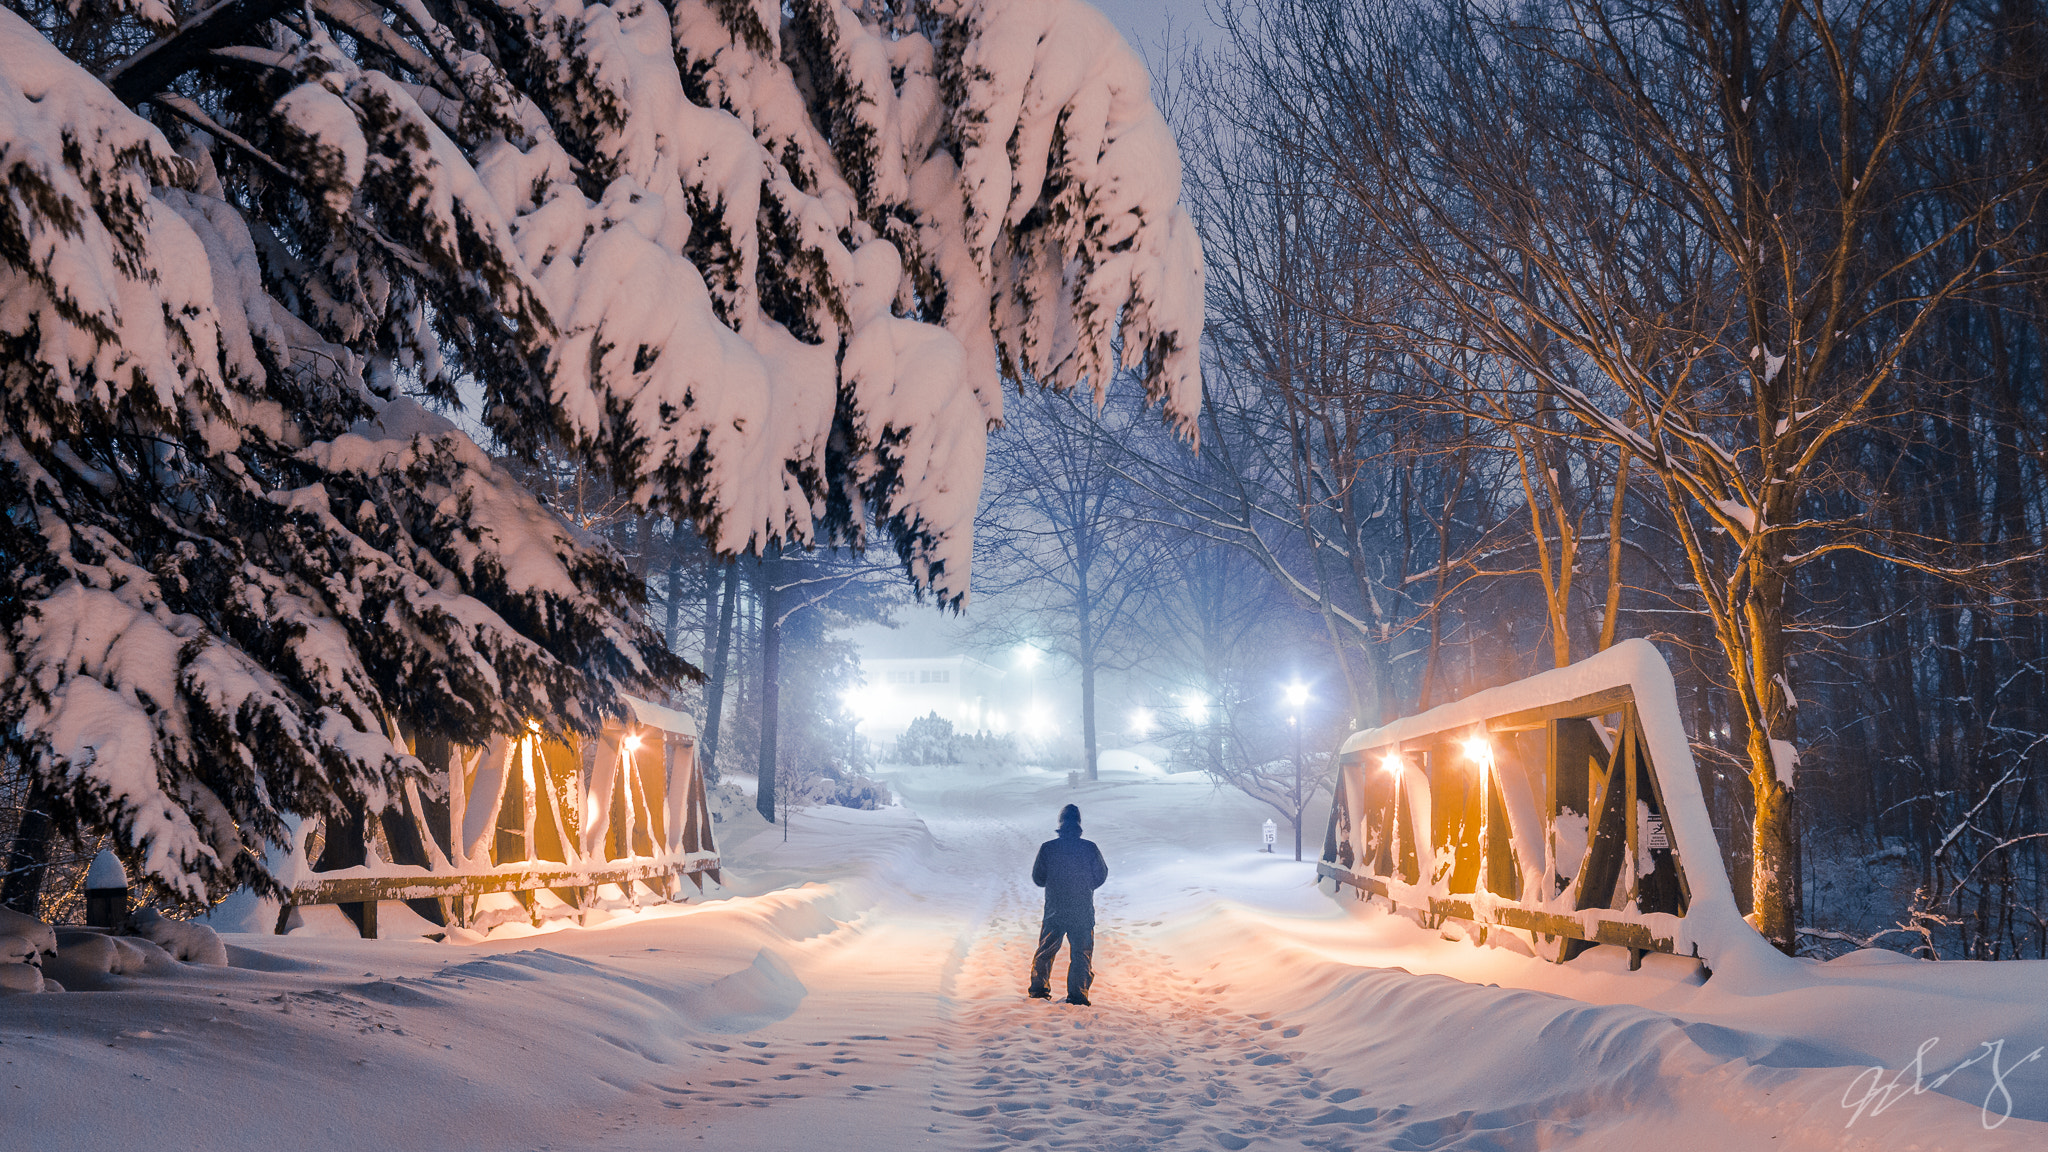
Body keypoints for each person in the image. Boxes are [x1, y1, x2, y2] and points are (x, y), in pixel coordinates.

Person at [1028, 803, 1108, 1005]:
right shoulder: (1089, 848)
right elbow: (1101, 874)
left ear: (1060, 825)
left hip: (1055, 910)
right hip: (1082, 911)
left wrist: (1056, 883)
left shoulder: (1048, 848)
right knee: (1081, 954)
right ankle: (1078, 995)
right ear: (1079, 825)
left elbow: (1038, 878)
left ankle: (1038, 990)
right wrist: (1085, 886)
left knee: (1046, 951)